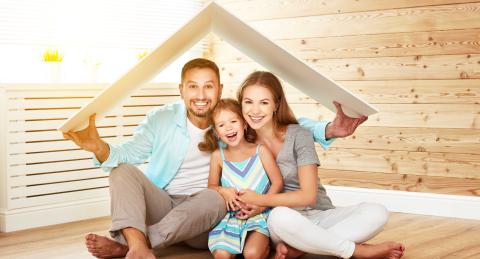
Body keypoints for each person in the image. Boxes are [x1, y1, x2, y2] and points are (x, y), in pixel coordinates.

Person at [62, 58, 366, 259]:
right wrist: (97, 146)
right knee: (122, 171)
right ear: (181, 90)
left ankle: (132, 244)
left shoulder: (232, 119)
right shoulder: (161, 118)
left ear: (219, 90)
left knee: (215, 195)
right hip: (166, 204)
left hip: (209, 212)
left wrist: (329, 129)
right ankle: (139, 245)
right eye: (193, 86)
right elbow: (125, 154)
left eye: (208, 86)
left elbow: (284, 123)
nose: (201, 94)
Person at [235, 71, 405, 259]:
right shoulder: (239, 140)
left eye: (264, 102)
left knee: (377, 212)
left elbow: (308, 196)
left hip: (320, 215)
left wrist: (260, 199)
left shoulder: (299, 134)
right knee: (279, 216)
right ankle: (357, 251)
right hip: (284, 224)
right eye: (248, 102)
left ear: (276, 105)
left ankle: (303, 248)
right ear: (240, 103)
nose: (255, 110)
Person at [198, 98, 283, 259]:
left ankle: (265, 246)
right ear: (216, 132)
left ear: (244, 123)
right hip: (232, 218)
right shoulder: (218, 156)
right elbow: (211, 186)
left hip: (260, 214)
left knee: (251, 254)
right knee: (221, 255)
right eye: (221, 125)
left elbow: (278, 182)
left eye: (233, 121)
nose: (228, 127)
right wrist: (223, 191)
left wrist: (261, 204)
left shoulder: (261, 151)